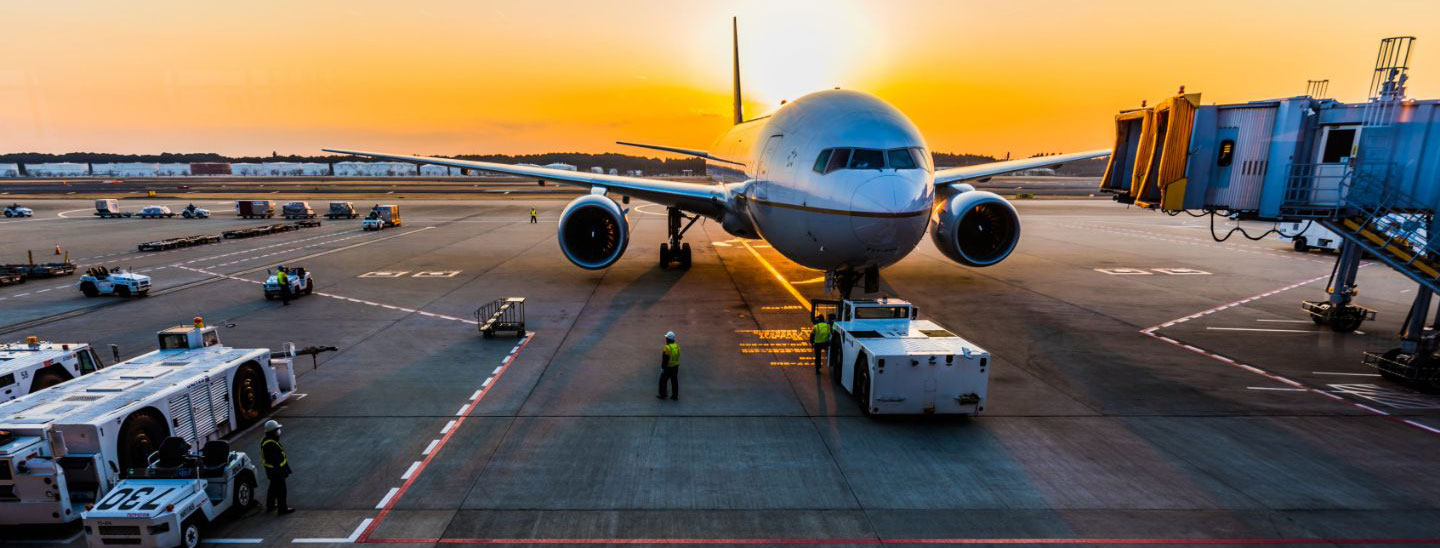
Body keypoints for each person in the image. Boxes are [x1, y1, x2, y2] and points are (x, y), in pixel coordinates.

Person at [261, 420, 295, 514]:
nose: (278, 433)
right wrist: (281, 471)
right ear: (272, 432)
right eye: (277, 431)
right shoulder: (270, 444)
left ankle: (270, 505)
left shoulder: (267, 441)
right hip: (276, 471)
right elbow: (276, 460)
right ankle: (282, 509)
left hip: (272, 471)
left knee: (273, 488)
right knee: (281, 490)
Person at [657, 331, 680, 400]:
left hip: (668, 367)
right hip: (676, 366)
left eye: (666, 337)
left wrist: (662, 367)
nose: (666, 339)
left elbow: (665, 359)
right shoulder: (677, 346)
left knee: (662, 381)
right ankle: (675, 396)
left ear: (668, 339)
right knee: (674, 381)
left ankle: (663, 395)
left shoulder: (667, 347)